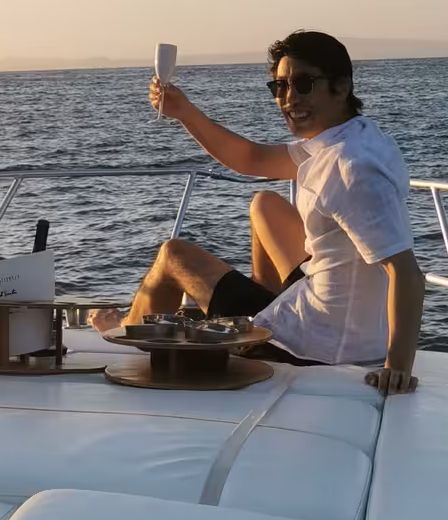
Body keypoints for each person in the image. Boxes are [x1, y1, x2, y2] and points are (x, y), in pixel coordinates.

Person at [92, 32, 425, 394]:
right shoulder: (352, 137)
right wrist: (184, 112)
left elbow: (406, 274)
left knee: (173, 256)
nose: (288, 98)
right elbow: (251, 159)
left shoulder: (349, 168)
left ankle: (127, 324)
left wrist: (397, 367)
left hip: (313, 348)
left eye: (303, 84)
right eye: (280, 86)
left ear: (341, 87)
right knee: (265, 203)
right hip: (340, 315)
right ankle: (260, 306)